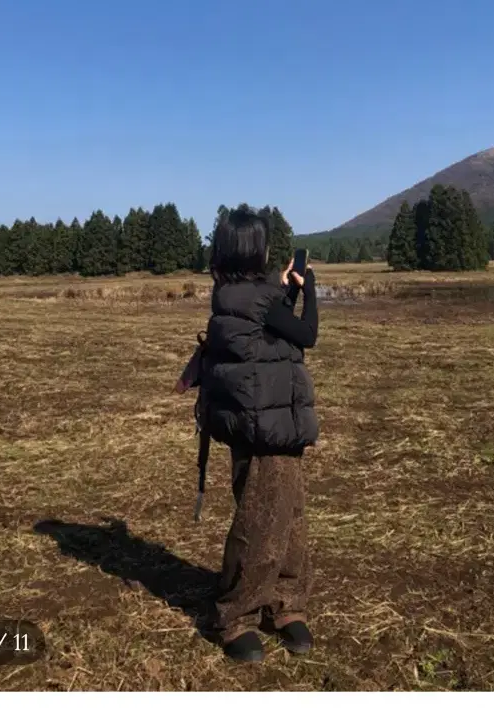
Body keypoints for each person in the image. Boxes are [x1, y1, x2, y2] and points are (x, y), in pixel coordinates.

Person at [201, 207, 319, 662]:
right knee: (262, 522)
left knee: (288, 515)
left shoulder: (233, 294)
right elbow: (305, 335)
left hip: (260, 420)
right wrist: (311, 292)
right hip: (268, 424)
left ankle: (286, 602)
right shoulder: (256, 298)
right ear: (256, 248)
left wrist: (284, 291)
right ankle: (237, 615)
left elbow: (271, 336)